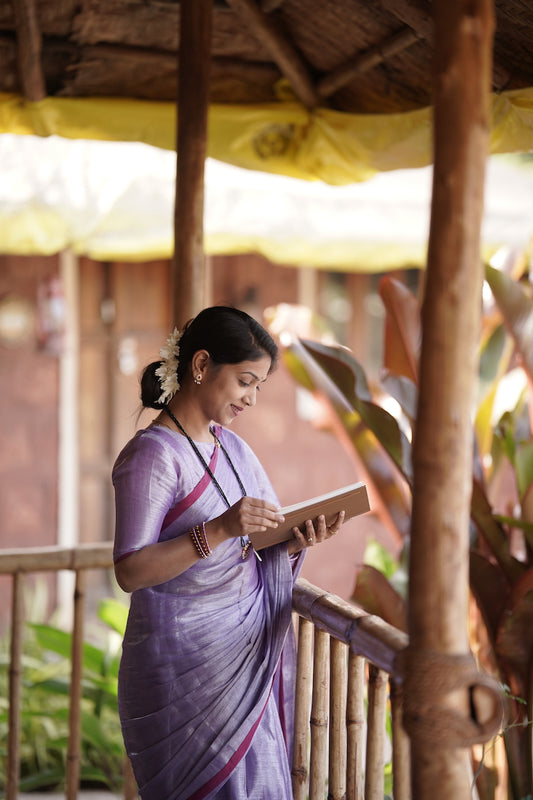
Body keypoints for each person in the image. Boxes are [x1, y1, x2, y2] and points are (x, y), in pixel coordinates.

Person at [112, 306, 345, 800]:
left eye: (259, 386)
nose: (252, 399)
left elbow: (254, 546)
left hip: (240, 659)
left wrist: (295, 540)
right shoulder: (152, 455)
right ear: (200, 366)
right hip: (181, 670)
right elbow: (130, 571)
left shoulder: (233, 449)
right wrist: (217, 529)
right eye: (245, 381)